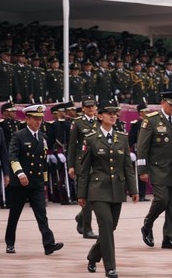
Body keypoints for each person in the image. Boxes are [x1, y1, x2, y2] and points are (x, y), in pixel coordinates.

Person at [77, 100, 139, 278]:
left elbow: (127, 166)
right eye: (108, 113)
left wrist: (133, 190)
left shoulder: (122, 138)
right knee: (105, 225)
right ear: (99, 116)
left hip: (117, 189)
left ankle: (93, 255)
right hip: (97, 189)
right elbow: (84, 169)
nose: (112, 116)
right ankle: (110, 267)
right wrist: (82, 194)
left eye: (115, 113)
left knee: (110, 227)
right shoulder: (91, 138)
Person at [5, 104, 64, 255]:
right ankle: (10, 243)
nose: (39, 122)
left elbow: (42, 161)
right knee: (15, 215)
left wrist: (44, 180)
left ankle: (49, 244)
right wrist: (20, 174)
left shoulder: (42, 137)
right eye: (35, 119)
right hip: (20, 182)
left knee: (41, 214)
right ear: (27, 119)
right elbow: (12, 157)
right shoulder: (19, 136)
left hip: (36, 182)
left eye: (40, 119)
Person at [137, 91, 172, 250]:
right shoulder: (151, 120)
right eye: (171, 104)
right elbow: (142, 147)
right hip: (157, 168)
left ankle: (168, 237)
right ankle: (148, 223)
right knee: (161, 199)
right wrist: (142, 170)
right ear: (162, 103)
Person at [68, 95, 99, 239]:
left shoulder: (100, 121)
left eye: (92, 106)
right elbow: (72, 145)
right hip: (82, 164)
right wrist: (71, 165)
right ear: (83, 108)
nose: (91, 109)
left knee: (95, 198)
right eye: (88, 107)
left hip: (97, 163)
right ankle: (87, 229)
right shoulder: (78, 123)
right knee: (86, 196)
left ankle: (81, 217)